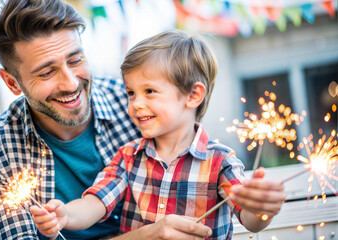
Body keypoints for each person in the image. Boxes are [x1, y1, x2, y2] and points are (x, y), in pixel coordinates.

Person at [0, 0, 214, 239]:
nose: (71, 83)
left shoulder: (137, 105)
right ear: (12, 83)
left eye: (75, 60)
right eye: (46, 72)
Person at [30, 30, 287, 240]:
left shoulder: (221, 162)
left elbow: (251, 221)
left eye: (149, 91)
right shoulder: (129, 157)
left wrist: (262, 209)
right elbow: (96, 203)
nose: (135, 104)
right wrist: (65, 215)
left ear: (193, 95)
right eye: (131, 93)